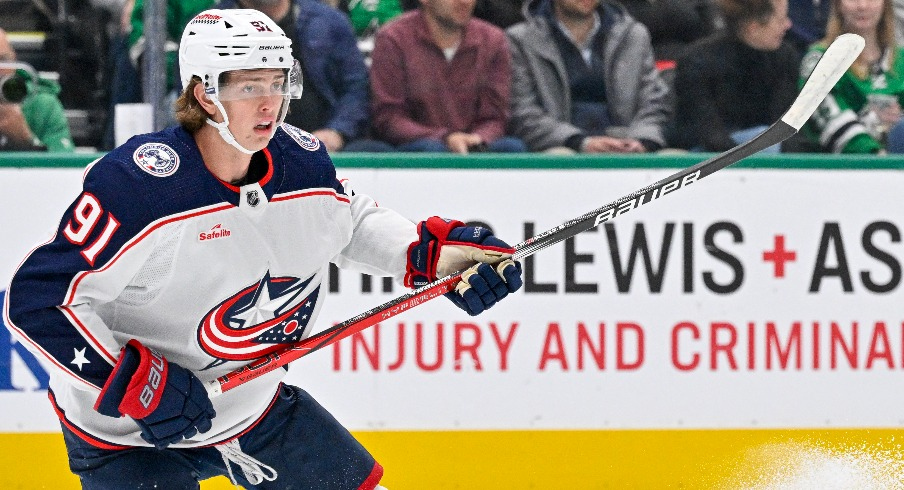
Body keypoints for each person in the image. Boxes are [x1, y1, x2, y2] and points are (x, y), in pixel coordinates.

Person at [3, 9, 522, 489]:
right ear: (204, 94)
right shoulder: (142, 186)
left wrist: (429, 255)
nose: (271, 102)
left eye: (278, 82)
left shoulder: (300, 160)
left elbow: (347, 221)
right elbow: (39, 301)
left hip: (252, 409)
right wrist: (133, 383)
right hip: (131, 436)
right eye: (250, 85)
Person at [506, 0, 672, 153]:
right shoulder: (520, 39)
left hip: (630, 145)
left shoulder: (634, 34)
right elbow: (522, 111)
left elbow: (654, 100)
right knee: (561, 156)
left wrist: (642, 140)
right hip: (560, 148)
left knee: (672, 159)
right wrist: (579, 142)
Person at [368, 0, 527, 153]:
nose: (465, 2)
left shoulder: (494, 40)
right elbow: (389, 117)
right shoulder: (393, 38)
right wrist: (445, 138)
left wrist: (478, 138)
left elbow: (495, 117)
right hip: (419, 147)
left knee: (511, 147)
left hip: (476, 144)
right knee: (431, 150)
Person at [216, 0, 371, 153]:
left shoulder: (330, 22)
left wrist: (336, 132)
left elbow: (356, 88)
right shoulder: (210, 30)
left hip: (321, 143)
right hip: (236, 144)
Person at [673, 0, 798, 152]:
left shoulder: (785, 58)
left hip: (763, 149)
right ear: (753, 28)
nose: (788, 25)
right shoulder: (696, 61)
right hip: (707, 155)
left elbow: (785, 123)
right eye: (781, 20)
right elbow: (707, 131)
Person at [800, 0, 904, 153]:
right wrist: (877, 155)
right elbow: (830, 122)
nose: (862, 6)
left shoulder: (900, 60)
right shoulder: (819, 59)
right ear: (838, 5)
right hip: (840, 169)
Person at [0, 28, 74, 152]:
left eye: (3, 60)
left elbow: (65, 162)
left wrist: (28, 140)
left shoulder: (42, 104)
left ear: (14, 59)